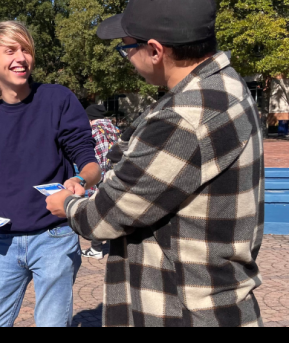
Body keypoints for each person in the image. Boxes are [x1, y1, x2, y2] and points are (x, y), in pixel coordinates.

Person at [46, 0, 265, 327]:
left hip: (181, 310)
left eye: (127, 49)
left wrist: (68, 203)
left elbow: (103, 218)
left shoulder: (183, 119)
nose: (128, 59)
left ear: (155, 50)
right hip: (219, 300)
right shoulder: (228, 85)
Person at [0, 21, 101, 327]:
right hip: (5, 240)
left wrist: (80, 181)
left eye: (26, 49)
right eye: (10, 50)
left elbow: (91, 164)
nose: (21, 57)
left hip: (55, 237)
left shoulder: (57, 99)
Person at [81, 104, 121, 259]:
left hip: (102, 178)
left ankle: (96, 249)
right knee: (111, 211)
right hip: (116, 176)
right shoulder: (113, 128)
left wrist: (95, 180)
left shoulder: (96, 131)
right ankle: (113, 244)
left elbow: (102, 157)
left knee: (96, 212)